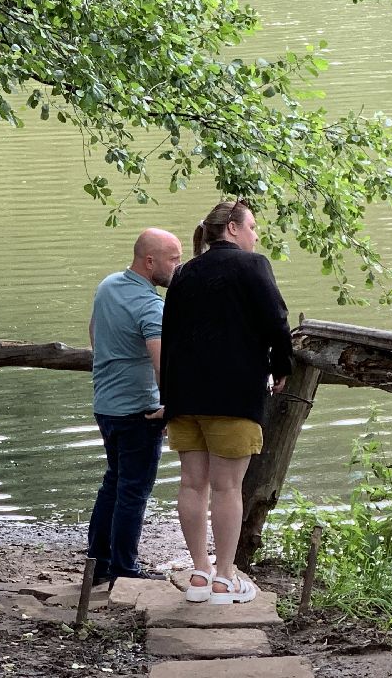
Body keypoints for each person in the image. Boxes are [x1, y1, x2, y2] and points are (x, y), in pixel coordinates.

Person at [160, 200, 293, 604]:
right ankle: (224, 578)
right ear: (232, 229)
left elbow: (170, 337)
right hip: (233, 396)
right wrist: (282, 365)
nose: (256, 234)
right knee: (227, 488)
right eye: (252, 226)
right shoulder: (253, 267)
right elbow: (277, 320)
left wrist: (170, 398)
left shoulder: (183, 274)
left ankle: (198, 573)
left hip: (185, 397)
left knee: (191, 484)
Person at [87, 228, 184, 587]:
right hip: (139, 411)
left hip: (106, 405)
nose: (179, 266)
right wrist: (170, 405)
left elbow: (94, 334)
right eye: (173, 259)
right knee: (133, 490)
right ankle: (124, 570)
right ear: (149, 261)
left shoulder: (108, 286)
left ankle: (97, 563)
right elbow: (162, 363)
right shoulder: (151, 305)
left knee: (113, 482)